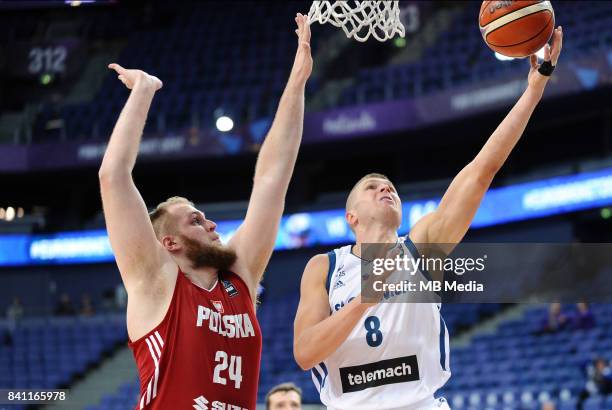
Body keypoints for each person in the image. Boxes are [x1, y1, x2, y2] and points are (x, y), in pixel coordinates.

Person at [293, 27, 563, 410]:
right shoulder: (324, 267)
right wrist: (364, 301)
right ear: (351, 215)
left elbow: (480, 171)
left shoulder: (421, 248)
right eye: (373, 187)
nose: (386, 189)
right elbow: (304, 354)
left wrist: (533, 92)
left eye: (390, 187)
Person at [98, 13, 312, 410]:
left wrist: (297, 82)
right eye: (195, 219)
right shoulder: (154, 281)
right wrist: (143, 90)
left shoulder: (238, 278)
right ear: (169, 242)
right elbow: (113, 176)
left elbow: (272, 180)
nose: (212, 223)